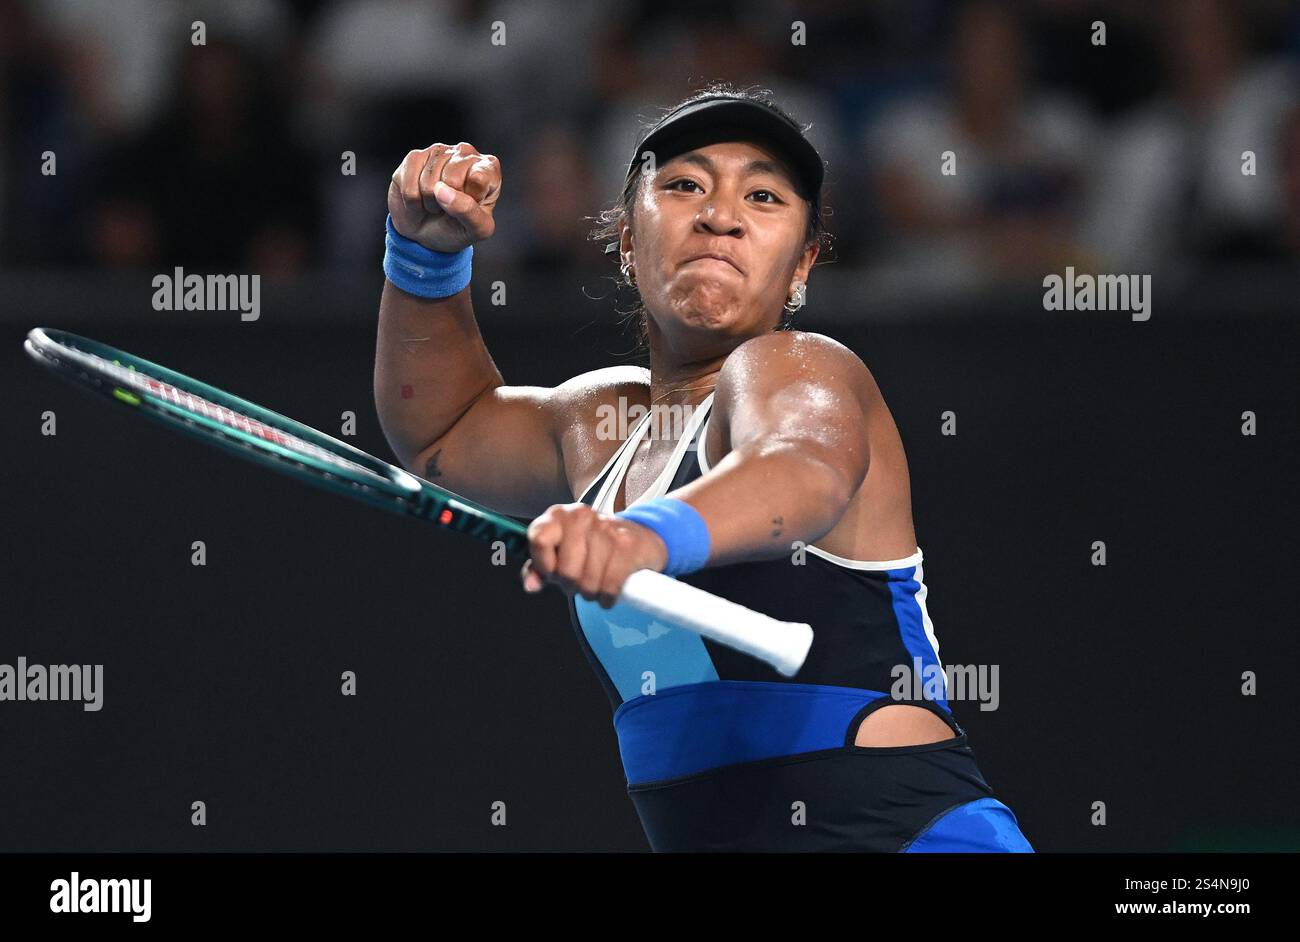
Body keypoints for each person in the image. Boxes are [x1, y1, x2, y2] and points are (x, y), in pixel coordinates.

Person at [373, 85, 1033, 852]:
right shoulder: (597, 429)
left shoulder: (799, 366)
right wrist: (424, 254)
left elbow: (803, 469)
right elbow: (441, 432)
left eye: (762, 196)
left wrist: (641, 540)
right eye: (684, 185)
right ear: (626, 241)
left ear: (802, 267)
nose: (721, 214)